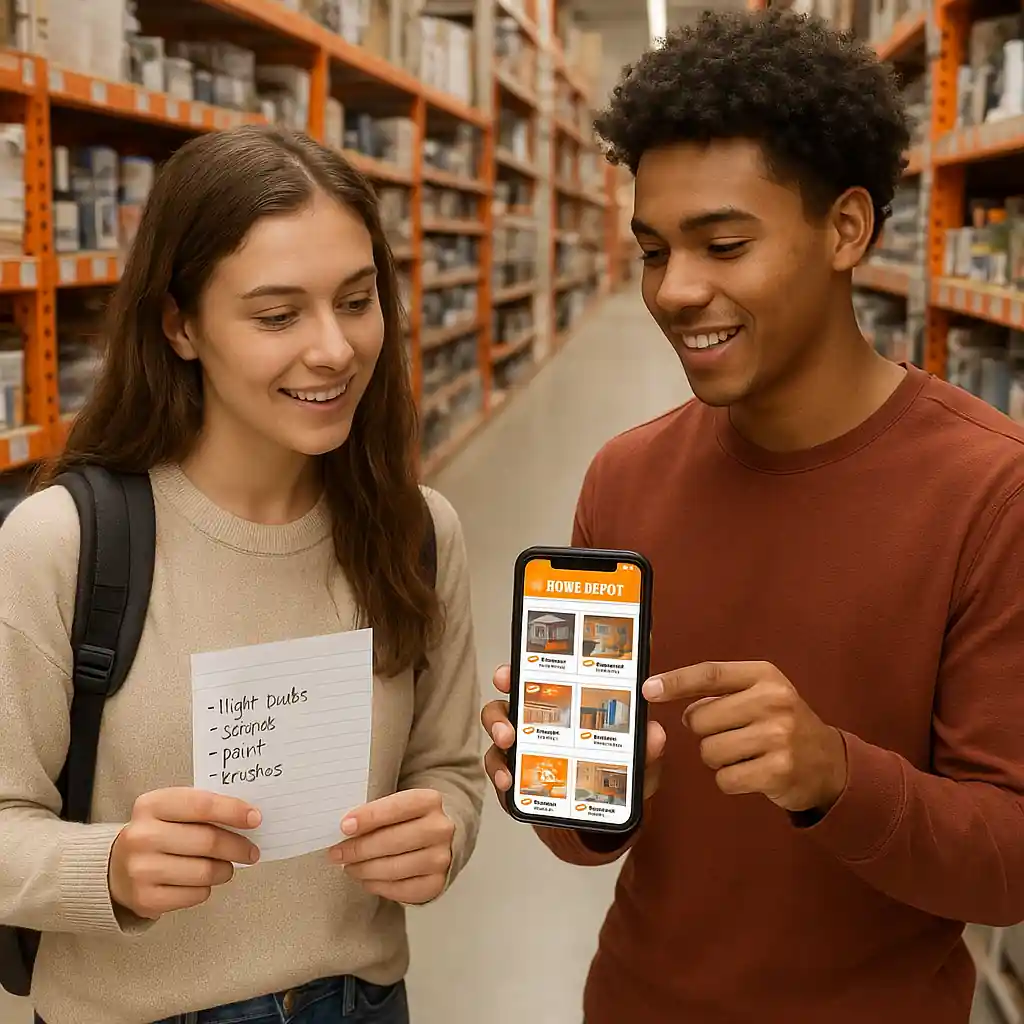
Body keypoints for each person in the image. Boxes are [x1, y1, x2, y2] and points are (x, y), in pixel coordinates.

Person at [483, 10, 1024, 1024]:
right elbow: (585, 841)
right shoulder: (625, 476)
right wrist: (562, 789)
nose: (678, 290)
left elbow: (1008, 864)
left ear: (846, 229)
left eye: (723, 243)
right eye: (652, 250)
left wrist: (833, 777)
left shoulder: (991, 493)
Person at [0, 125, 484, 1024]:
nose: (335, 349)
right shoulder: (61, 544)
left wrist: (442, 835)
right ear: (179, 325)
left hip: (361, 1003)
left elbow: (447, 769)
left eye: (356, 300)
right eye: (276, 315)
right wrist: (106, 868)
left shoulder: (416, 531)